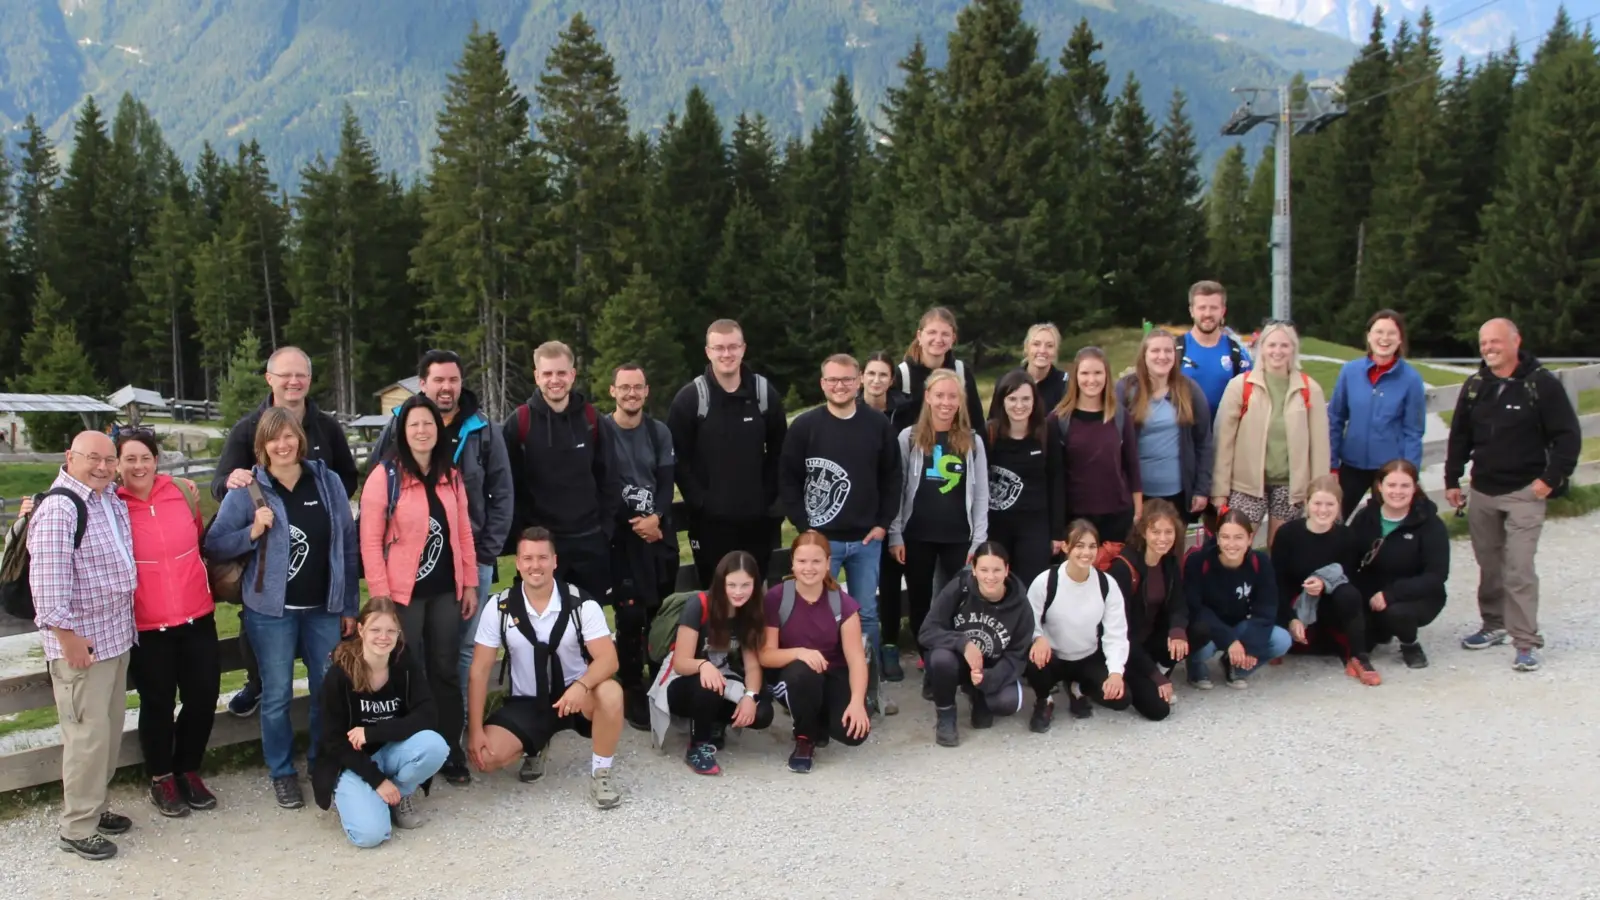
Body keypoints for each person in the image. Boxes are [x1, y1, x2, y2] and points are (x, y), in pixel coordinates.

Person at [204, 408, 360, 810]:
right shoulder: (248, 490)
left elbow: (346, 541)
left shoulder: (326, 482)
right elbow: (215, 545)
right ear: (262, 446)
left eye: (289, 436)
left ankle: (319, 761)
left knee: (327, 691)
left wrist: (348, 605)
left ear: (299, 439)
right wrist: (252, 532)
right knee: (276, 695)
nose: (283, 444)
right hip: (271, 613)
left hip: (324, 609)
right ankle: (281, 771)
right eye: (274, 438)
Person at [210, 346, 357, 718]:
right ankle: (256, 683)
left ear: (309, 380)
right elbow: (221, 483)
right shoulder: (247, 428)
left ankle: (323, 752)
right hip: (264, 566)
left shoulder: (327, 427)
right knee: (259, 631)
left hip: (318, 582)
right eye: (285, 374)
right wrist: (236, 485)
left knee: (324, 678)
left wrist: (322, 499)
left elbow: (347, 478)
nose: (294, 381)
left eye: (301, 375)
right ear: (269, 379)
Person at [367, 349, 513, 713]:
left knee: (458, 651)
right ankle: (411, 726)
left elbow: (503, 494)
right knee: (410, 653)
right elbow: (375, 495)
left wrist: (485, 554)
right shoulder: (399, 425)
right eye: (438, 380)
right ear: (423, 384)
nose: (446, 388)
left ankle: (456, 722)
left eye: (453, 380)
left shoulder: (484, 430)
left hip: (468, 560)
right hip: (406, 573)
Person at [28, 431, 139, 861]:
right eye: (93, 459)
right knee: (87, 738)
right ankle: (77, 826)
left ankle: (95, 807)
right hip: (84, 646)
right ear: (69, 458)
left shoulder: (107, 497)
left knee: (107, 734)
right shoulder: (60, 508)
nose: (104, 467)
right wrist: (69, 641)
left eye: (110, 460)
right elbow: (48, 588)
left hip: (114, 637)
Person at [1446, 318, 1580, 672]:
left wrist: (1550, 480)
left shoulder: (1541, 385)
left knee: (1518, 569)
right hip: (1482, 491)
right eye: (1483, 343)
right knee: (1489, 565)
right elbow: (1459, 437)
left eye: (1495, 341)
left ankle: (1525, 642)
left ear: (1515, 341)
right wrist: (1451, 479)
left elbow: (1568, 436)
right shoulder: (1475, 386)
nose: (1488, 348)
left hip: (1525, 492)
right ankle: (1494, 625)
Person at [359, 394, 479, 786]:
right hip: (401, 596)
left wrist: (470, 582)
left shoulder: (451, 475)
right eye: (414, 425)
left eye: (428, 423)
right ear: (403, 431)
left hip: (446, 591)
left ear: (438, 429)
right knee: (405, 673)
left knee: (445, 671)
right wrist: (381, 600)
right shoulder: (386, 476)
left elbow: (463, 531)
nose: (422, 431)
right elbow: (370, 541)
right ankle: (407, 752)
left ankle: (449, 750)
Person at [466, 528, 624, 809]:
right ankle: (535, 744)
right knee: (486, 758)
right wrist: (476, 729)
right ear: (517, 562)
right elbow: (479, 671)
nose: (535, 566)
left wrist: (582, 686)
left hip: (577, 699)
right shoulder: (498, 606)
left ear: (555, 561)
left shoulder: (581, 603)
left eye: (542, 558)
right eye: (527, 558)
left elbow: (609, 660)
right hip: (527, 700)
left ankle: (601, 773)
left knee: (611, 692)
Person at [111, 431, 222, 815]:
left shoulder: (182, 492)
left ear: (156, 460)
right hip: (146, 623)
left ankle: (188, 769)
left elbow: (198, 536)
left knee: (203, 696)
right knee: (157, 702)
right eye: (130, 459)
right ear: (118, 464)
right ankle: (162, 778)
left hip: (197, 614)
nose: (138, 466)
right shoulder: (111, 504)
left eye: (145, 457)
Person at [780, 353, 900, 680]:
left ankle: (870, 686)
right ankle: (823, 682)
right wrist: (805, 529)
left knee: (867, 614)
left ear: (859, 381)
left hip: (865, 539)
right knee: (817, 614)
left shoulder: (877, 425)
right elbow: (788, 480)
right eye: (832, 380)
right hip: (822, 541)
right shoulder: (804, 426)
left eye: (847, 379)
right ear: (822, 384)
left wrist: (882, 523)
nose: (840, 386)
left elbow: (892, 477)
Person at [311, 597, 449, 848]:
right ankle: (365, 797)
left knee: (435, 746)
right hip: (351, 762)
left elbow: (428, 714)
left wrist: (373, 732)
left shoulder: (403, 664)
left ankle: (399, 795)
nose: (383, 637)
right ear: (361, 630)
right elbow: (333, 741)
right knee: (370, 836)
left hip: (391, 750)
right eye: (375, 629)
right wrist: (377, 780)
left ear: (398, 633)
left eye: (390, 631)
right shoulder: (339, 674)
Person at [668, 319, 788, 585]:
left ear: (743, 349)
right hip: (710, 525)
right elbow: (677, 458)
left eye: (733, 347)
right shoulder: (690, 399)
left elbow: (781, 450)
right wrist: (700, 501)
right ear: (708, 351)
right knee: (715, 599)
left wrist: (768, 498)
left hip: (757, 521)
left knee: (755, 595)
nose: (726, 354)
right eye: (719, 348)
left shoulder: (763, 393)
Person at [887, 369, 990, 676]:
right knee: (919, 598)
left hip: (959, 535)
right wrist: (895, 534)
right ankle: (926, 653)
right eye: (940, 395)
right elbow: (898, 488)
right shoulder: (909, 437)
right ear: (928, 397)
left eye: (953, 396)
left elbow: (981, 493)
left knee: (957, 598)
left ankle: (954, 652)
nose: (946, 402)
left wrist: (979, 540)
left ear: (961, 401)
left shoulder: (972, 441)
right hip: (917, 533)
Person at [503, 341, 621, 602]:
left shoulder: (592, 420)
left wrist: (604, 530)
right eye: (547, 374)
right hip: (541, 547)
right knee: (544, 627)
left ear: (572, 374)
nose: (554, 380)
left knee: (588, 625)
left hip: (590, 542)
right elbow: (508, 487)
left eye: (560, 373)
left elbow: (610, 479)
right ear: (536, 376)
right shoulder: (519, 423)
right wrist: (523, 537)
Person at [758, 532, 872, 773]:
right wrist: (800, 652)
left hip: (832, 673)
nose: (808, 568)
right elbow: (765, 655)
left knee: (852, 735)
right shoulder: (777, 597)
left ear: (828, 563)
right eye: (802, 561)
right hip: (792, 675)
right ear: (792, 563)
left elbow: (856, 660)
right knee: (803, 673)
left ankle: (819, 717)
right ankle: (804, 738)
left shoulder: (843, 604)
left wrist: (857, 702)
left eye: (816, 561)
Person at [1211, 320, 1330, 548]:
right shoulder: (1241, 386)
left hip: (1291, 487)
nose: (1277, 351)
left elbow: (1320, 447)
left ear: (1293, 349)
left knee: (1281, 549)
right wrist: (1219, 490)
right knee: (1235, 547)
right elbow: (1223, 441)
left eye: (1284, 346)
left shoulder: (1309, 389)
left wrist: (1318, 492)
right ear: (1261, 347)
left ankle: (1275, 585)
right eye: (1272, 345)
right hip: (1246, 485)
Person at [605, 363, 678, 732]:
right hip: (621, 537)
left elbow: (666, 482)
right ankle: (632, 686)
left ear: (646, 391)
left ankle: (661, 680)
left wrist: (658, 519)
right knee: (630, 616)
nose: (631, 394)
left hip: (657, 534)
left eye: (638, 388)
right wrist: (634, 523)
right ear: (612, 391)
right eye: (624, 388)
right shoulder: (603, 431)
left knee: (660, 612)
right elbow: (601, 484)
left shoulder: (658, 432)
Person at [658, 551, 775, 775]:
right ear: (721, 582)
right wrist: (703, 666)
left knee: (762, 712)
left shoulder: (749, 612)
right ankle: (697, 746)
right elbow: (681, 662)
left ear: (755, 585)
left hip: (721, 677)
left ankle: (715, 721)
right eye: (731, 585)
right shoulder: (699, 605)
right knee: (709, 685)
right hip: (682, 680)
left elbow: (752, 666)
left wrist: (750, 697)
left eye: (745, 585)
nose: (738, 592)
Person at [1024, 521, 1136, 733]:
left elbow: (1116, 633)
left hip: (1087, 657)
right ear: (1066, 547)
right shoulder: (1046, 581)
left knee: (1122, 700)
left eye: (1092, 546)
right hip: (1053, 657)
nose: (1086, 552)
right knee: (1033, 661)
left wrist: (1115, 673)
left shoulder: (1107, 584)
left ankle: (1077, 687)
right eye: (1079, 545)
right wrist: (1038, 638)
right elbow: (1029, 621)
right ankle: (1044, 699)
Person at [919, 542, 1034, 747]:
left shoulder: (1021, 604)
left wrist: (988, 680)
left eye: (997, 570)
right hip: (959, 660)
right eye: (983, 570)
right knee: (940, 658)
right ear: (973, 570)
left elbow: (1018, 654)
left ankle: (979, 695)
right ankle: (946, 715)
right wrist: (963, 643)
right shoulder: (959, 588)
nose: (990, 577)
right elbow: (927, 631)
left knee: (1007, 703)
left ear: (1007, 570)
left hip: (992, 665)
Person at [1270, 476, 1377, 684]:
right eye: (1317, 503)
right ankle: (1295, 639)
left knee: (1349, 594)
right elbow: (1276, 582)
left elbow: (1350, 576)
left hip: (1329, 603)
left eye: (1330, 504)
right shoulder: (1287, 534)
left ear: (1338, 507)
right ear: (1307, 504)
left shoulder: (1346, 536)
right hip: (1296, 604)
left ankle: (1359, 656)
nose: (1323, 510)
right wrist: (1291, 618)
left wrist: (1325, 584)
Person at [1350, 460, 1450, 670]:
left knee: (1398, 613)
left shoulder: (1430, 524)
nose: (1397, 491)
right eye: (1391, 485)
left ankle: (1409, 644)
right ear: (1380, 486)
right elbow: (1350, 558)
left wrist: (1391, 594)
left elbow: (1436, 575)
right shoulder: (1365, 517)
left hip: (1416, 594)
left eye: (1405, 485)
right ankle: (1380, 630)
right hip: (1373, 591)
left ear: (1415, 487)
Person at [1328, 310, 1427, 521]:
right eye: (1379, 331)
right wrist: (1332, 464)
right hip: (1351, 464)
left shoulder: (1411, 380)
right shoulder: (1350, 372)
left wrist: (1408, 475)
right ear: (1369, 336)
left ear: (1400, 338)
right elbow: (1335, 418)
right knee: (1333, 519)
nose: (1384, 338)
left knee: (1386, 524)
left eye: (1392, 333)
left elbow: (1413, 431)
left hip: (1389, 469)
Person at [1183, 509, 1292, 689]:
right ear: (1217, 538)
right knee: (1200, 641)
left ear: (1250, 538)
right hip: (1208, 628)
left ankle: (1234, 667)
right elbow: (1195, 608)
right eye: (1225, 537)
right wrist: (1230, 641)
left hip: (1240, 624)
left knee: (1281, 640)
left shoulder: (1261, 562)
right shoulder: (1198, 561)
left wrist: (1252, 646)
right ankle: (1195, 666)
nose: (1231, 544)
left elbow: (1266, 609)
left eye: (1238, 537)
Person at [1116, 329, 1214, 523]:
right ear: (1144, 355)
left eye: (1168, 351)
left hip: (1177, 493)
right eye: (1155, 351)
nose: (1162, 356)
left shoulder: (1189, 390)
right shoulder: (1126, 389)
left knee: (1172, 549)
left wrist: (1202, 489)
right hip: (1137, 494)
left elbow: (1204, 442)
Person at [1106, 500, 1187, 720]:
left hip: (1149, 641)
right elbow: (1121, 634)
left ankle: (1159, 670)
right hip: (1126, 649)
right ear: (1143, 532)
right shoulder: (1123, 569)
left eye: (1168, 532)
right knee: (1159, 711)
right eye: (1156, 532)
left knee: (1195, 630)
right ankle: (1153, 675)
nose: (1163, 538)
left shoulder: (1169, 561)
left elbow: (1178, 603)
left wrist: (1178, 630)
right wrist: (1153, 676)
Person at [1052, 347, 1141, 542]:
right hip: (1077, 518)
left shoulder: (1119, 415)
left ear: (1107, 376)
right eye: (1085, 373)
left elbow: (1131, 465)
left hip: (1118, 515)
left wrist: (1138, 512)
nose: (1091, 380)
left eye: (1097, 373)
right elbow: (1054, 477)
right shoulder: (1059, 419)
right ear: (1075, 376)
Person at [984, 370, 1064, 587]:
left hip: (1034, 527)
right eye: (1012, 399)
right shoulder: (989, 433)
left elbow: (1056, 481)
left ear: (1035, 401)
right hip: (996, 526)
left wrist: (1057, 532)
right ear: (1002, 401)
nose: (1019, 405)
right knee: (997, 587)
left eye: (1025, 398)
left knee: (1033, 587)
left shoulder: (1046, 432)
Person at [889, 307, 986, 435]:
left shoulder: (961, 372)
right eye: (932, 332)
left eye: (945, 334)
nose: (938, 339)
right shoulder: (903, 374)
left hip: (955, 449)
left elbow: (976, 422)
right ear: (919, 336)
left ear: (953, 339)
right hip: (914, 451)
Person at [1175, 281, 1253, 420]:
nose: (1207, 313)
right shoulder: (1174, 350)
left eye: (1213, 308)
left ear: (1223, 311)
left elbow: (1251, 401)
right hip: (1185, 437)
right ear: (1192, 311)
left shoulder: (1238, 354)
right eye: (1202, 308)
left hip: (1224, 437)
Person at [991, 323, 1067, 416]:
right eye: (1036, 344)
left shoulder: (1066, 386)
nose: (1042, 350)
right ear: (1027, 347)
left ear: (1056, 351)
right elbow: (993, 422)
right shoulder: (1007, 381)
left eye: (1049, 346)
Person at [860, 352, 898, 416]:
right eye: (871, 373)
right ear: (861, 377)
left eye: (883, 375)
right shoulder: (848, 410)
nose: (876, 380)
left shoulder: (905, 411)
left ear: (891, 380)